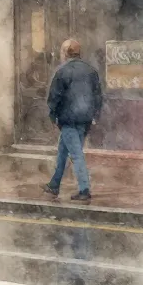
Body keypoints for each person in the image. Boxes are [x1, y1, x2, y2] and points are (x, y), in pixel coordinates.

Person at [44, 39, 102, 202]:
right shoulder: (91, 71)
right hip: (85, 119)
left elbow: (54, 97)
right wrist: (95, 115)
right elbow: (98, 96)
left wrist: (52, 115)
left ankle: (84, 189)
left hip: (68, 119)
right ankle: (54, 185)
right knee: (63, 152)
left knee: (76, 155)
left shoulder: (62, 71)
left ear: (65, 53)